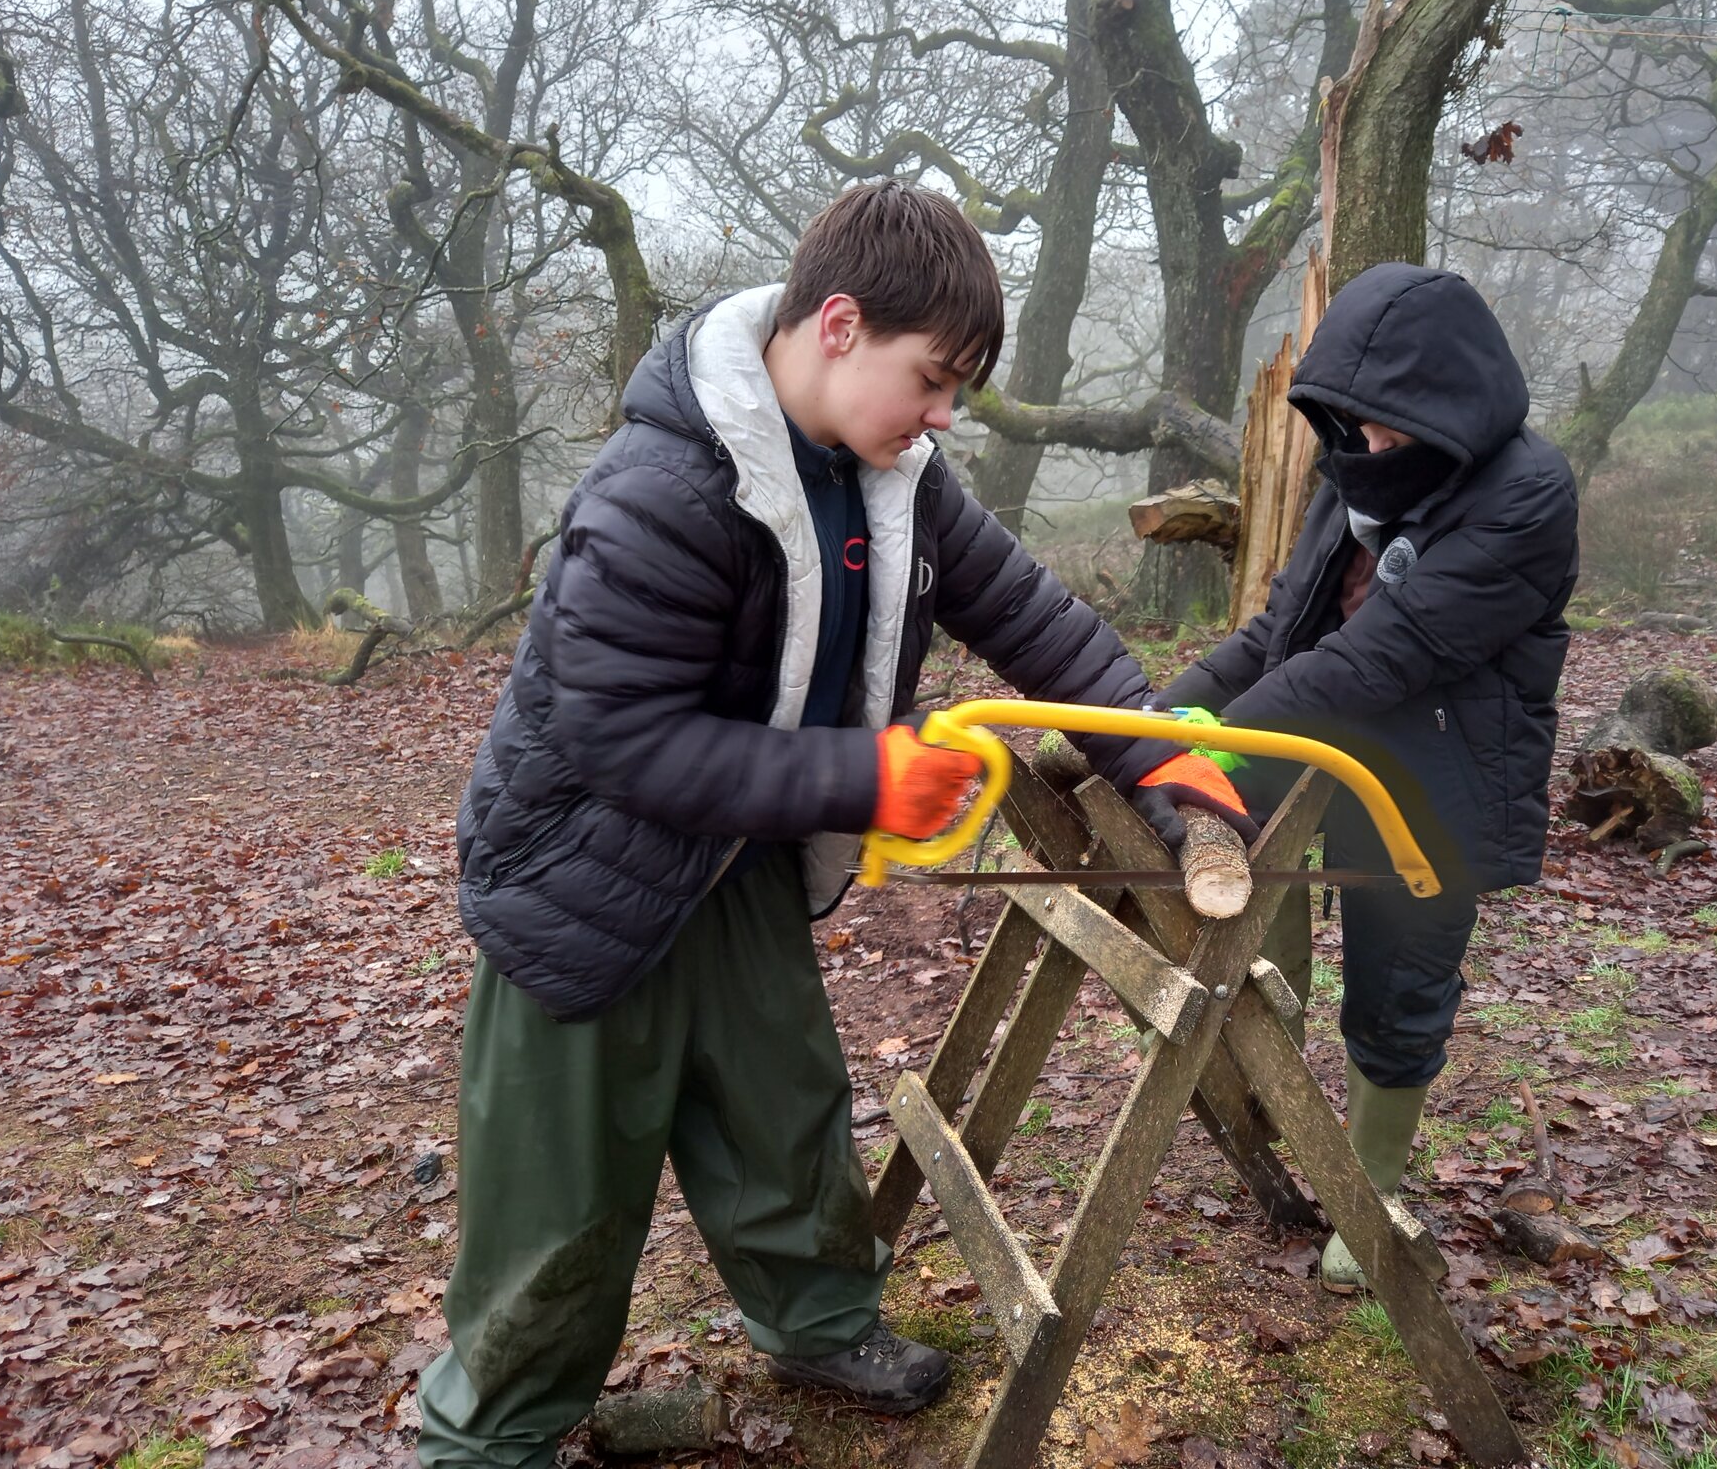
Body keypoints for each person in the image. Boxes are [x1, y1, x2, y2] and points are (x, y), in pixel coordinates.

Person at [415, 180, 1249, 1467]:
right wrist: (863, 781)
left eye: (957, 390)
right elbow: (616, 740)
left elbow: (1041, 628)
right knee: (561, 1199)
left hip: (735, 852)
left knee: (781, 1102)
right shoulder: (662, 490)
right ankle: (492, 1438)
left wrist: (1170, 766)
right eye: (931, 379)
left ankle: (818, 1321)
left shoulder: (896, 475)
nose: (941, 416)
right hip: (576, 879)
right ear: (841, 325)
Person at [1156, 262, 1579, 1290]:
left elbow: (1378, 657)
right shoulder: (1347, 475)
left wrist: (1222, 742)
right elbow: (1280, 632)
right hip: (1318, 735)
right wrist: (1164, 715)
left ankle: (1372, 1180)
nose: (1369, 448)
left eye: (1390, 428)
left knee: (1398, 979)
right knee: (1239, 897)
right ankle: (1279, 1089)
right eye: (1351, 426)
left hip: (1435, 766)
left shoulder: (1523, 495)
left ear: (1449, 406)